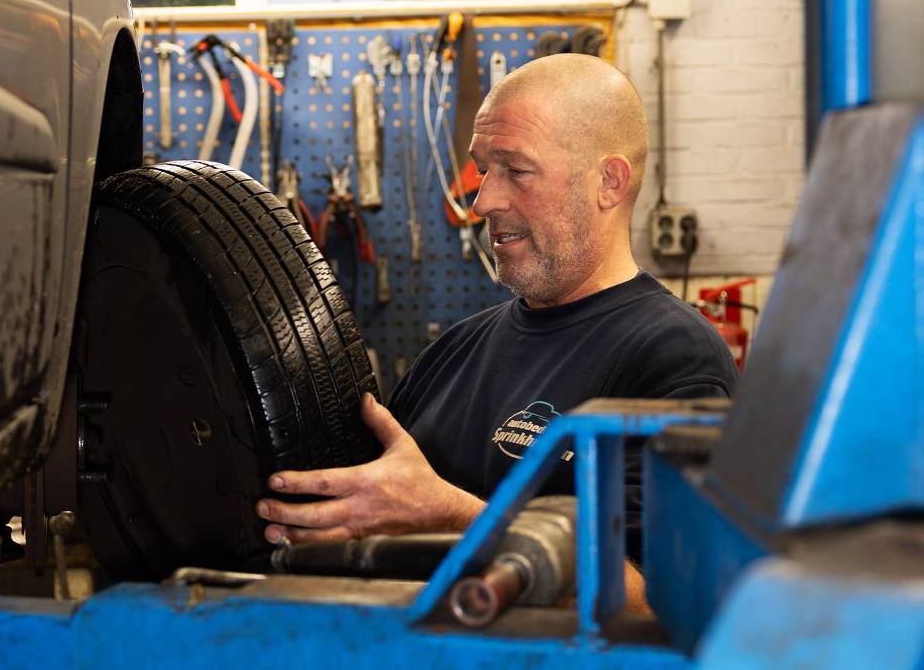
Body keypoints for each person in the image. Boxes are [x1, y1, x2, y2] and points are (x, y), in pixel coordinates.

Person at [254, 53, 738, 608]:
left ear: (609, 182)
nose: (484, 200)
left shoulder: (674, 359)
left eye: (516, 170)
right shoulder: (453, 352)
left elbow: (667, 602)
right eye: (484, 169)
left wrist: (447, 514)